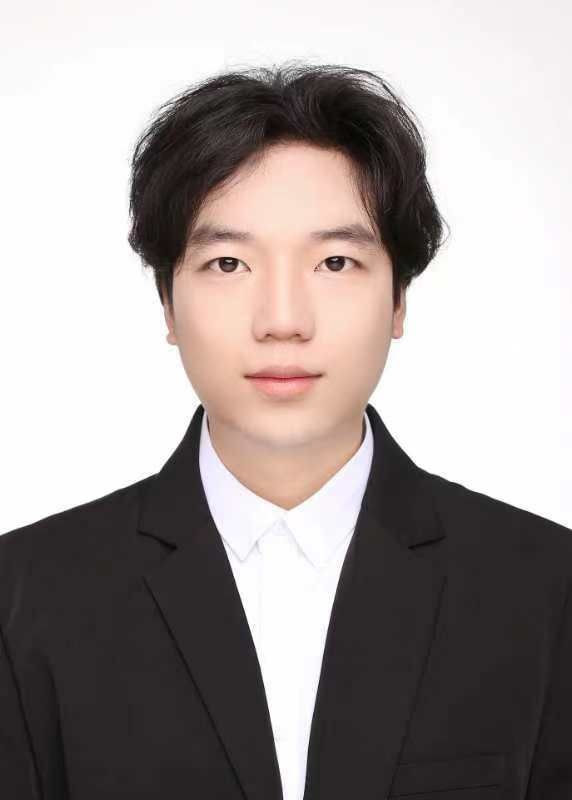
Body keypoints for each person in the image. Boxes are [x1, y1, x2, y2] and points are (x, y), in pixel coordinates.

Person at [1, 61, 570, 800]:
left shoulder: (546, 589)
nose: (282, 320)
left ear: (399, 300)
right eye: (227, 263)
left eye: (334, 261)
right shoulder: (25, 599)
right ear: (167, 304)